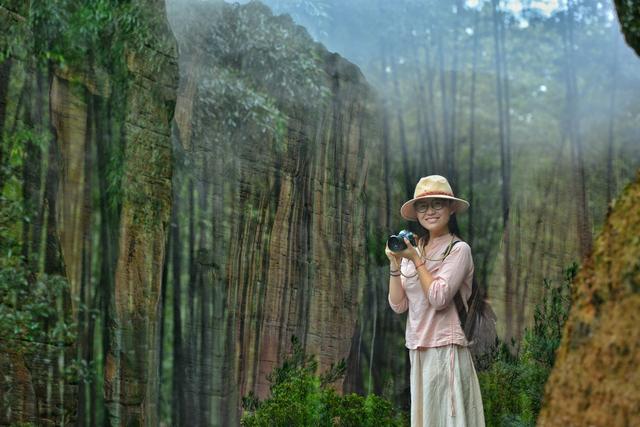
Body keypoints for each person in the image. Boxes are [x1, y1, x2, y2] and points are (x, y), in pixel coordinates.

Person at [385, 175, 485, 427]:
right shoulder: (413, 247)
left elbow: (438, 297)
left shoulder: (458, 249)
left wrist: (417, 260)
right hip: (418, 347)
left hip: (445, 347)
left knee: (450, 420)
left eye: (437, 204)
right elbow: (399, 305)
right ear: (416, 213)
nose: (429, 212)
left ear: (451, 209)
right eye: (422, 206)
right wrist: (395, 265)